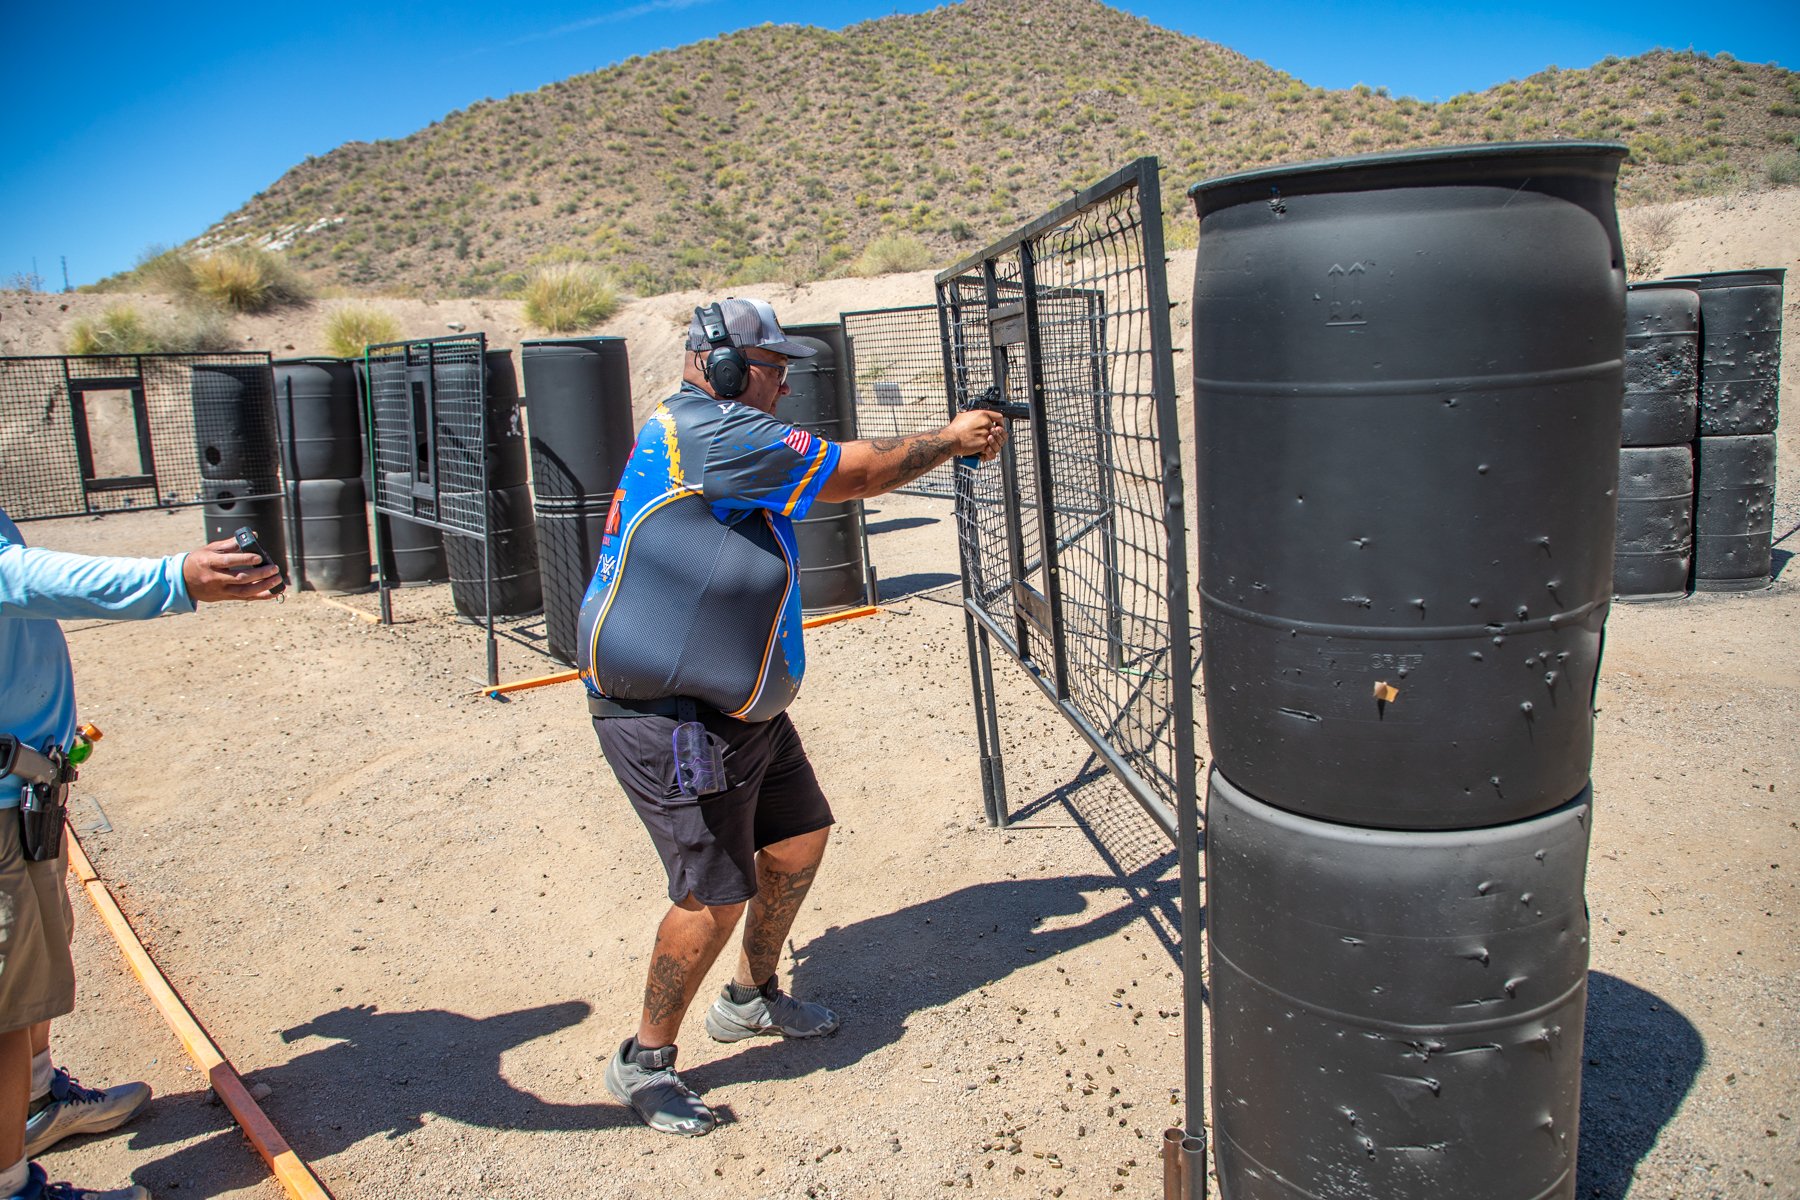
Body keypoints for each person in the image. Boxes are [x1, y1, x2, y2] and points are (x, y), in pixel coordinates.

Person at [578, 297, 1005, 1136]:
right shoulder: (713, 432)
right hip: (674, 718)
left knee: (800, 838)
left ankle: (749, 999)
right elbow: (857, 474)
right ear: (723, 366)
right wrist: (954, 439)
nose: (782, 386)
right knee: (712, 897)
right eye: (772, 370)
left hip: (736, 708)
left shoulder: (713, 431)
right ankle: (644, 1061)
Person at [0, 508, 280, 1200]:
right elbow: (20, 578)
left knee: (30, 974)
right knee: (2, 1013)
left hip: (27, 794)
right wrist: (174, 579)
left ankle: (36, 1104)